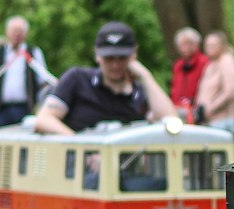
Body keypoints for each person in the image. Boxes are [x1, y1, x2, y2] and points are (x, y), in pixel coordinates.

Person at [33, 22, 175, 134]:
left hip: (127, 167)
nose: (115, 65)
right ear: (97, 55)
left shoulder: (141, 92)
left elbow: (170, 121)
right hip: (80, 166)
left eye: (122, 58)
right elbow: (44, 119)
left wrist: (146, 77)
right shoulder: (77, 79)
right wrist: (83, 148)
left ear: (133, 54)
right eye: (109, 58)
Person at [0, 17, 53, 127]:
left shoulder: (34, 52)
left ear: (26, 33)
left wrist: (43, 109)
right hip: (0, 110)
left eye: (20, 31)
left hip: (26, 110)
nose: (17, 34)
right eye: (14, 31)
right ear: (7, 32)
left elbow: (43, 83)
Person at [193, 30, 234, 133]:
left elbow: (230, 92)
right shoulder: (210, 64)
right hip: (208, 121)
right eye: (207, 45)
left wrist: (211, 108)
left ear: (222, 45)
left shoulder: (227, 62)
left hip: (222, 121)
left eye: (213, 45)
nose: (209, 48)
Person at [167, 27, 208, 119]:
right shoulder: (178, 66)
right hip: (178, 109)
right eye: (182, 45)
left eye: (189, 43)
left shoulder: (204, 62)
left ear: (196, 44)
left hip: (196, 110)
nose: (185, 48)